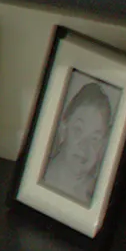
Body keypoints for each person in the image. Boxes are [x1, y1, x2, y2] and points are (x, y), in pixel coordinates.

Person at [39, 77, 114, 207]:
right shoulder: (40, 177)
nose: (84, 147)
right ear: (63, 130)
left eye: (95, 138)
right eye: (78, 130)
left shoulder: (97, 200)